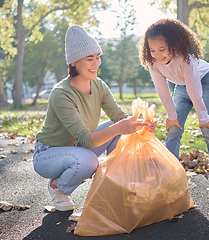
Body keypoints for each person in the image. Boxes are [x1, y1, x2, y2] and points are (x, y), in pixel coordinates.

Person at [33, 25, 156, 211]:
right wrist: (119, 127)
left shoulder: (99, 85)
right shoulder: (61, 94)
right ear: (73, 62)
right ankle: (57, 186)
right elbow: (87, 140)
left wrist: (141, 124)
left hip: (77, 148)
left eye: (98, 57)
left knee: (118, 133)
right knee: (89, 161)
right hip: (48, 154)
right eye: (89, 59)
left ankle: (116, 184)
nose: (96, 63)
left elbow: (119, 117)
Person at [139, 19, 209, 199]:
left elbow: (194, 89)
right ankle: (170, 179)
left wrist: (203, 117)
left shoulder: (186, 57)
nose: (157, 54)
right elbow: (162, 90)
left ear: (173, 44)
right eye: (152, 50)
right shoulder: (153, 62)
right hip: (180, 87)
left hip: (204, 82)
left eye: (162, 49)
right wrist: (172, 116)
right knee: (173, 129)